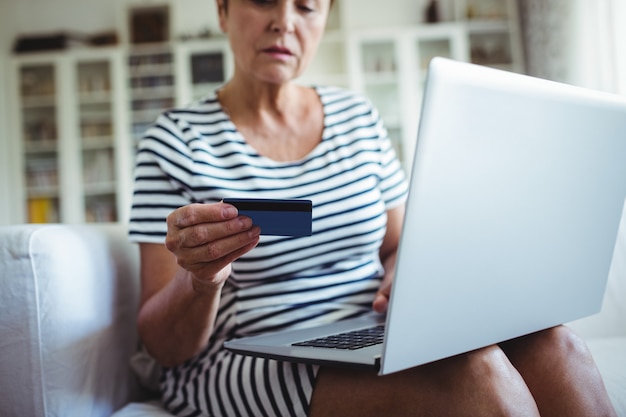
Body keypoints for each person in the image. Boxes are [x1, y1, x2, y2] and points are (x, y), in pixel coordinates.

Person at [128, 0, 618, 416]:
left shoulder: (358, 118)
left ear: (324, 18)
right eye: (262, 0)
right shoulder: (174, 141)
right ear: (222, 9)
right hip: (244, 354)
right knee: (477, 372)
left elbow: (399, 245)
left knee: (559, 346)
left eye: (306, 6)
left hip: (369, 331)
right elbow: (164, 347)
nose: (284, 20)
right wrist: (201, 279)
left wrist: (401, 275)